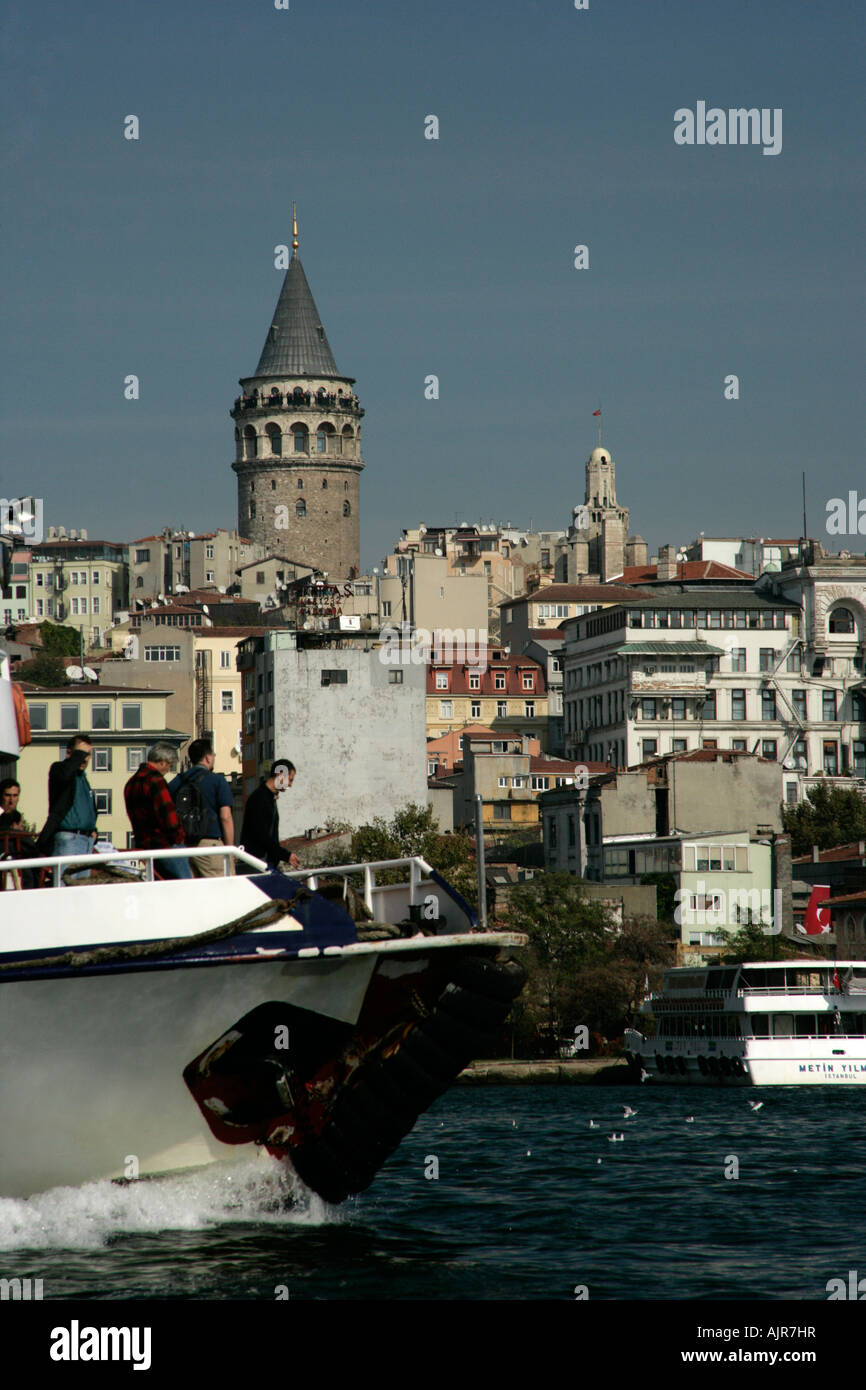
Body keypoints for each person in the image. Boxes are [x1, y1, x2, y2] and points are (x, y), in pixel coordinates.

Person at [123, 741, 192, 880]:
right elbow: (169, 817)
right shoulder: (155, 781)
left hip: (145, 847)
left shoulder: (130, 783)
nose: (168, 769)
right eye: (169, 765)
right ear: (162, 762)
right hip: (165, 845)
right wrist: (179, 838)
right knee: (184, 887)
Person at [169, 738, 235, 877]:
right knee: (223, 891)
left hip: (184, 846)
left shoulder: (177, 782)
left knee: (194, 894)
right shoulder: (217, 781)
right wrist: (230, 849)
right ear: (207, 758)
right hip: (211, 846)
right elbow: (225, 817)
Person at [34, 736, 98, 861]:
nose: (85, 759)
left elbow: (87, 809)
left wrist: (93, 831)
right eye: (81, 754)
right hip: (68, 839)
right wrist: (76, 759)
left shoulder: (82, 778)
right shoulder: (59, 769)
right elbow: (64, 775)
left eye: (88, 754)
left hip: (86, 840)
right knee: (65, 879)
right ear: (69, 753)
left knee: (83, 880)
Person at [240, 759, 301, 871]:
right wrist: (285, 855)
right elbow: (262, 835)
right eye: (290, 780)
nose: (290, 785)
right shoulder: (259, 798)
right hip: (256, 863)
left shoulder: (269, 797)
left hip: (265, 863)